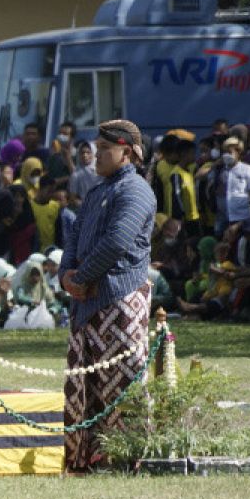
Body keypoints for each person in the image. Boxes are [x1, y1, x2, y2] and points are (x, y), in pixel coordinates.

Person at [58, 119, 156, 472]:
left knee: (122, 385)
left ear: (126, 152)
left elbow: (117, 242)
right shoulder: (97, 192)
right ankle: (86, 460)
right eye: (96, 149)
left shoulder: (137, 191)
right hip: (85, 304)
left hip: (120, 301)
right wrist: (65, 274)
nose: (96, 156)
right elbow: (74, 235)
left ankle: (128, 459)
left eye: (104, 150)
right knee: (84, 388)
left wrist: (81, 277)